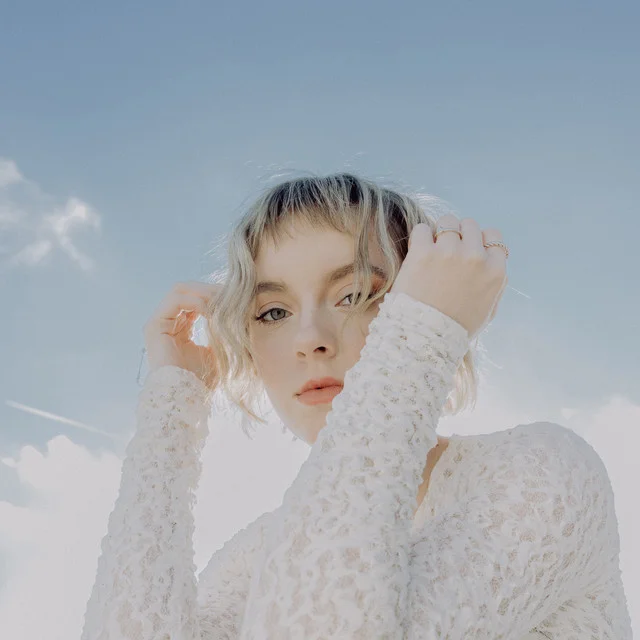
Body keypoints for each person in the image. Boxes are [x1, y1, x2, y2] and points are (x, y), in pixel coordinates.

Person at [80, 173, 632, 639]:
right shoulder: (257, 551)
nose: (311, 339)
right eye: (273, 312)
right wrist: (171, 412)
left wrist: (422, 338)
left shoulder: (540, 473)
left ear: (426, 301)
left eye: (354, 295)